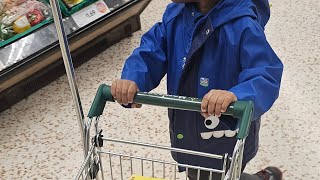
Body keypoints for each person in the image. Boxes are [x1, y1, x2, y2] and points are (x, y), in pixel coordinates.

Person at [111, 0, 283, 179]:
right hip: (187, 133)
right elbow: (150, 51)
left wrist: (236, 96)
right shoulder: (176, 16)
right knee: (202, 174)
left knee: (221, 174)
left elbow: (265, 74)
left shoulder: (243, 25)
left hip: (225, 136)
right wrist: (132, 78)